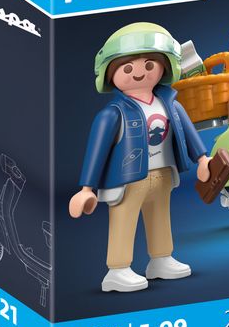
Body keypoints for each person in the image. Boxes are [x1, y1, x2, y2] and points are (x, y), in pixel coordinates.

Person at [69, 22, 212, 292]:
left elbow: (187, 133)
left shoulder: (170, 104)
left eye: (148, 65)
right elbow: (96, 150)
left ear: (164, 67)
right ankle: (118, 270)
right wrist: (86, 188)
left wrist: (202, 159)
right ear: (110, 73)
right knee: (124, 220)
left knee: (160, 217)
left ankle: (161, 259)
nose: (138, 73)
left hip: (163, 174)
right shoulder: (113, 113)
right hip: (127, 179)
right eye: (127, 68)